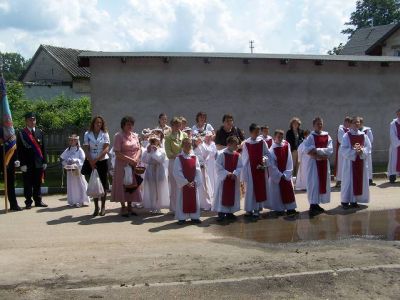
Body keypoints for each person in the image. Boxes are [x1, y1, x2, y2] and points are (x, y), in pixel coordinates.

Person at [111, 116, 142, 217]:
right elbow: (117, 153)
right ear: (123, 125)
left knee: (132, 185)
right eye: (128, 124)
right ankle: (123, 207)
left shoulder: (135, 136)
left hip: (133, 165)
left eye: (131, 124)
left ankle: (130, 206)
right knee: (122, 185)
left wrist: (136, 159)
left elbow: (139, 149)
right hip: (122, 165)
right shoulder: (118, 136)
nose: (130, 126)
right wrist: (130, 160)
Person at [303, 117, 333, 217]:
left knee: (322, 183)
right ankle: (312, 205)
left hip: (323, 162)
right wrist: (318, 153)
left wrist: (317, 151)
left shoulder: (327, 136)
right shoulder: (311, 136)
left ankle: (317, 204)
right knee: (314, 184)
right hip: (314, 164)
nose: (319, 125)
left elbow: (330, 150)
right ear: (313, 125)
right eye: (317, 124)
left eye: (321, 123)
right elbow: (307, 150)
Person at [16, 112, 48, 209]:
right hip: (27, 163)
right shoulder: (21, 133)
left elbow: (44, 148)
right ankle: (28, 202)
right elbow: (20, 150)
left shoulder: (40, 132)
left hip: (38, 162)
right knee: (28, 183)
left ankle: (38, 201)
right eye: (30, 119)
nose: (32, 121)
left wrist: (45, 161)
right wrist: (22, 163)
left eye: (34, 119)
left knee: (37, 183)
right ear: (26, 121)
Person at [241, 123, 271, 219]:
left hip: (260, 169)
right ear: (250, 132)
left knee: (259, 189)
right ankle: (249, 209)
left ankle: (257, 209)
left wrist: (264, 160)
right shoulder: (246, 143)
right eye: (255, 132)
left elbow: (267, 154)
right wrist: (244, 172)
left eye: (258, 132)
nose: (257, 134)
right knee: (250, 190)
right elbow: (244, 158)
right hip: (250, 170)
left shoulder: (262, 142)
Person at [340, 116, 371, 208]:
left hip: (360, 162)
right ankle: (345, 201)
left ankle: (354, 201)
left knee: (358, 181)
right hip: (350, 163)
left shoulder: (363, 135)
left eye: (358, 122)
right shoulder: (346, 135)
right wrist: (354, 152)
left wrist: (362, 151)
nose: (357, 124)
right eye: (355, 122)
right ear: (350, 124)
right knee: (348, 182)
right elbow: (343, 149)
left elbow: (368, 147)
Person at [83, 115, 110, 216]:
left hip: (102, 161)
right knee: (94, 184)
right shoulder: (87, 134)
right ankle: (96, 207)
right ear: (93, 123)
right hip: (91, 161)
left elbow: (106, 148)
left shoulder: (105, 133)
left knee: (103, 184)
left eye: (100, 123)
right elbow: (86, 148)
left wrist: (97, 159)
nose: (98, 124)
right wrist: (91, 161)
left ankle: (103, 207)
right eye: (96, 122)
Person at [266, 129, 298, 217]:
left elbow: (289, 160)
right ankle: (279, 209)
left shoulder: (286, 145)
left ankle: (290, 208)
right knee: (277, 193)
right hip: (277, 176)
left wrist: (287, 173)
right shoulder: (271, 150)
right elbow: (272, 165)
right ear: (274, 137)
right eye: (278, 136)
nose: (280, 138)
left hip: (286, 174)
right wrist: (279, 175)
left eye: (281, 136)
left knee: (289, 191)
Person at [173, 137, 203, 225]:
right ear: (182, 146)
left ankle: (194, 217)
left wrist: (195, 181)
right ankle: (182, 217)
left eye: (189, 145)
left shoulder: (194, 157)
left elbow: (198, 170)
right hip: (184, 184)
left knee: (194, 199)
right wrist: (185, 182)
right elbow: (177, 172)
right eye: (186, 145)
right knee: (182, 199)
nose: (188, 147)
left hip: (193, 183)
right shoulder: (179, 158)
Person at [213, 136, 243, 222]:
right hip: (224, 180)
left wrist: (235, 173)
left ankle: (230, 212)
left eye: (237, 145)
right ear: (229, 144)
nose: (236, 146)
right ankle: (221, 213)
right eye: (234, 145)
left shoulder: (237, 155)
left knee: (232, 195)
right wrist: (227, 173)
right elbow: (218, 166)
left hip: (233, 179)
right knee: (222, 195)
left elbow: (240, 166)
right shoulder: (221, 154)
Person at [141, 134, 169, 213]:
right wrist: (148, 152)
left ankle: (159, 206)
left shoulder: (162, 150)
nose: (153, 143)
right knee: (151, 188)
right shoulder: (147, 150)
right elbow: (144, 160)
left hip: (159, 169)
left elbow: (161, 160)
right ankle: (153, 206)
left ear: (158, 142)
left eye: (155, 141)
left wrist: (155, 151)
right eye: (152, 141)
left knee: (159, 189)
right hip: (150, 169)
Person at [165, 117, 188, 212]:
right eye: (175, 125)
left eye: (179, 125)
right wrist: (178, 155)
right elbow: (168, 153)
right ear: (172, 126)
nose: (178, 127)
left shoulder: (185, 135)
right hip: (174, 162)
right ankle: (174, 208)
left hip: (184, 161)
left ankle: (184, 206)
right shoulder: (168, 137)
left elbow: (188, 147)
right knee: (174, 186)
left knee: (184, 183)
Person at [60, 134, 89, 207]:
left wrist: (75, 160)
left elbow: (82, 160)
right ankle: (73, 201)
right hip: (70, 170)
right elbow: (62, 158)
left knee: (79, 185)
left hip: (77, 170)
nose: (72, 141)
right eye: (71, 140)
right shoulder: (67, 150)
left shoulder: (79, 150)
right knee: (71, 185)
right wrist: (66, 163)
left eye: (74, 140)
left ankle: (81, 201)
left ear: (77, 141)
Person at [0, 128, 21, 211]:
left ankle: (13, 204)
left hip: (9, 159)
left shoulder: (9, 129)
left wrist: (16, 158)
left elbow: (14, 146)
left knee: (10, 183)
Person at [193, 134, 212, 210]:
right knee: (199, 185)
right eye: (197, 140)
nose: (198, 141)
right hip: (196, 169)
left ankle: (206, 203)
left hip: (203, 168)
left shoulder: (202, 147)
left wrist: (202, 143)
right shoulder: (193, 149)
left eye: (199, 140)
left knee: (205, 185)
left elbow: (207, 151)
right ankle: (199, 203)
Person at [334, 116, 351, 188]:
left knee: (347, 165)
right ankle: (339, 181)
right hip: (342, 149)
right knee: (341, 165)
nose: (348, 124)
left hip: (348, 149)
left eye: (349, 123)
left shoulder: (350, 130)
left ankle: (347, 180)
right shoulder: (341, 129)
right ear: (345, 122)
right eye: (347, 122)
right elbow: (341, 140)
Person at [359, 118, 375, 186]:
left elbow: (370, 140)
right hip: (358, 151)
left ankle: (369, 179)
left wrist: (364, 148)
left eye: (360, 122)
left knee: (368, 166)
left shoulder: (367, 130)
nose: (359, 124)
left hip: (366, 151)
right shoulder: (354, 131)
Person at [388, 108, 400, 183]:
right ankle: (392, 176)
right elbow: (392, 135)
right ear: (397, 114)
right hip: (396, 146)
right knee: (394, 160)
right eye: (398, 114)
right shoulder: (393, 123)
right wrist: (398, 142)